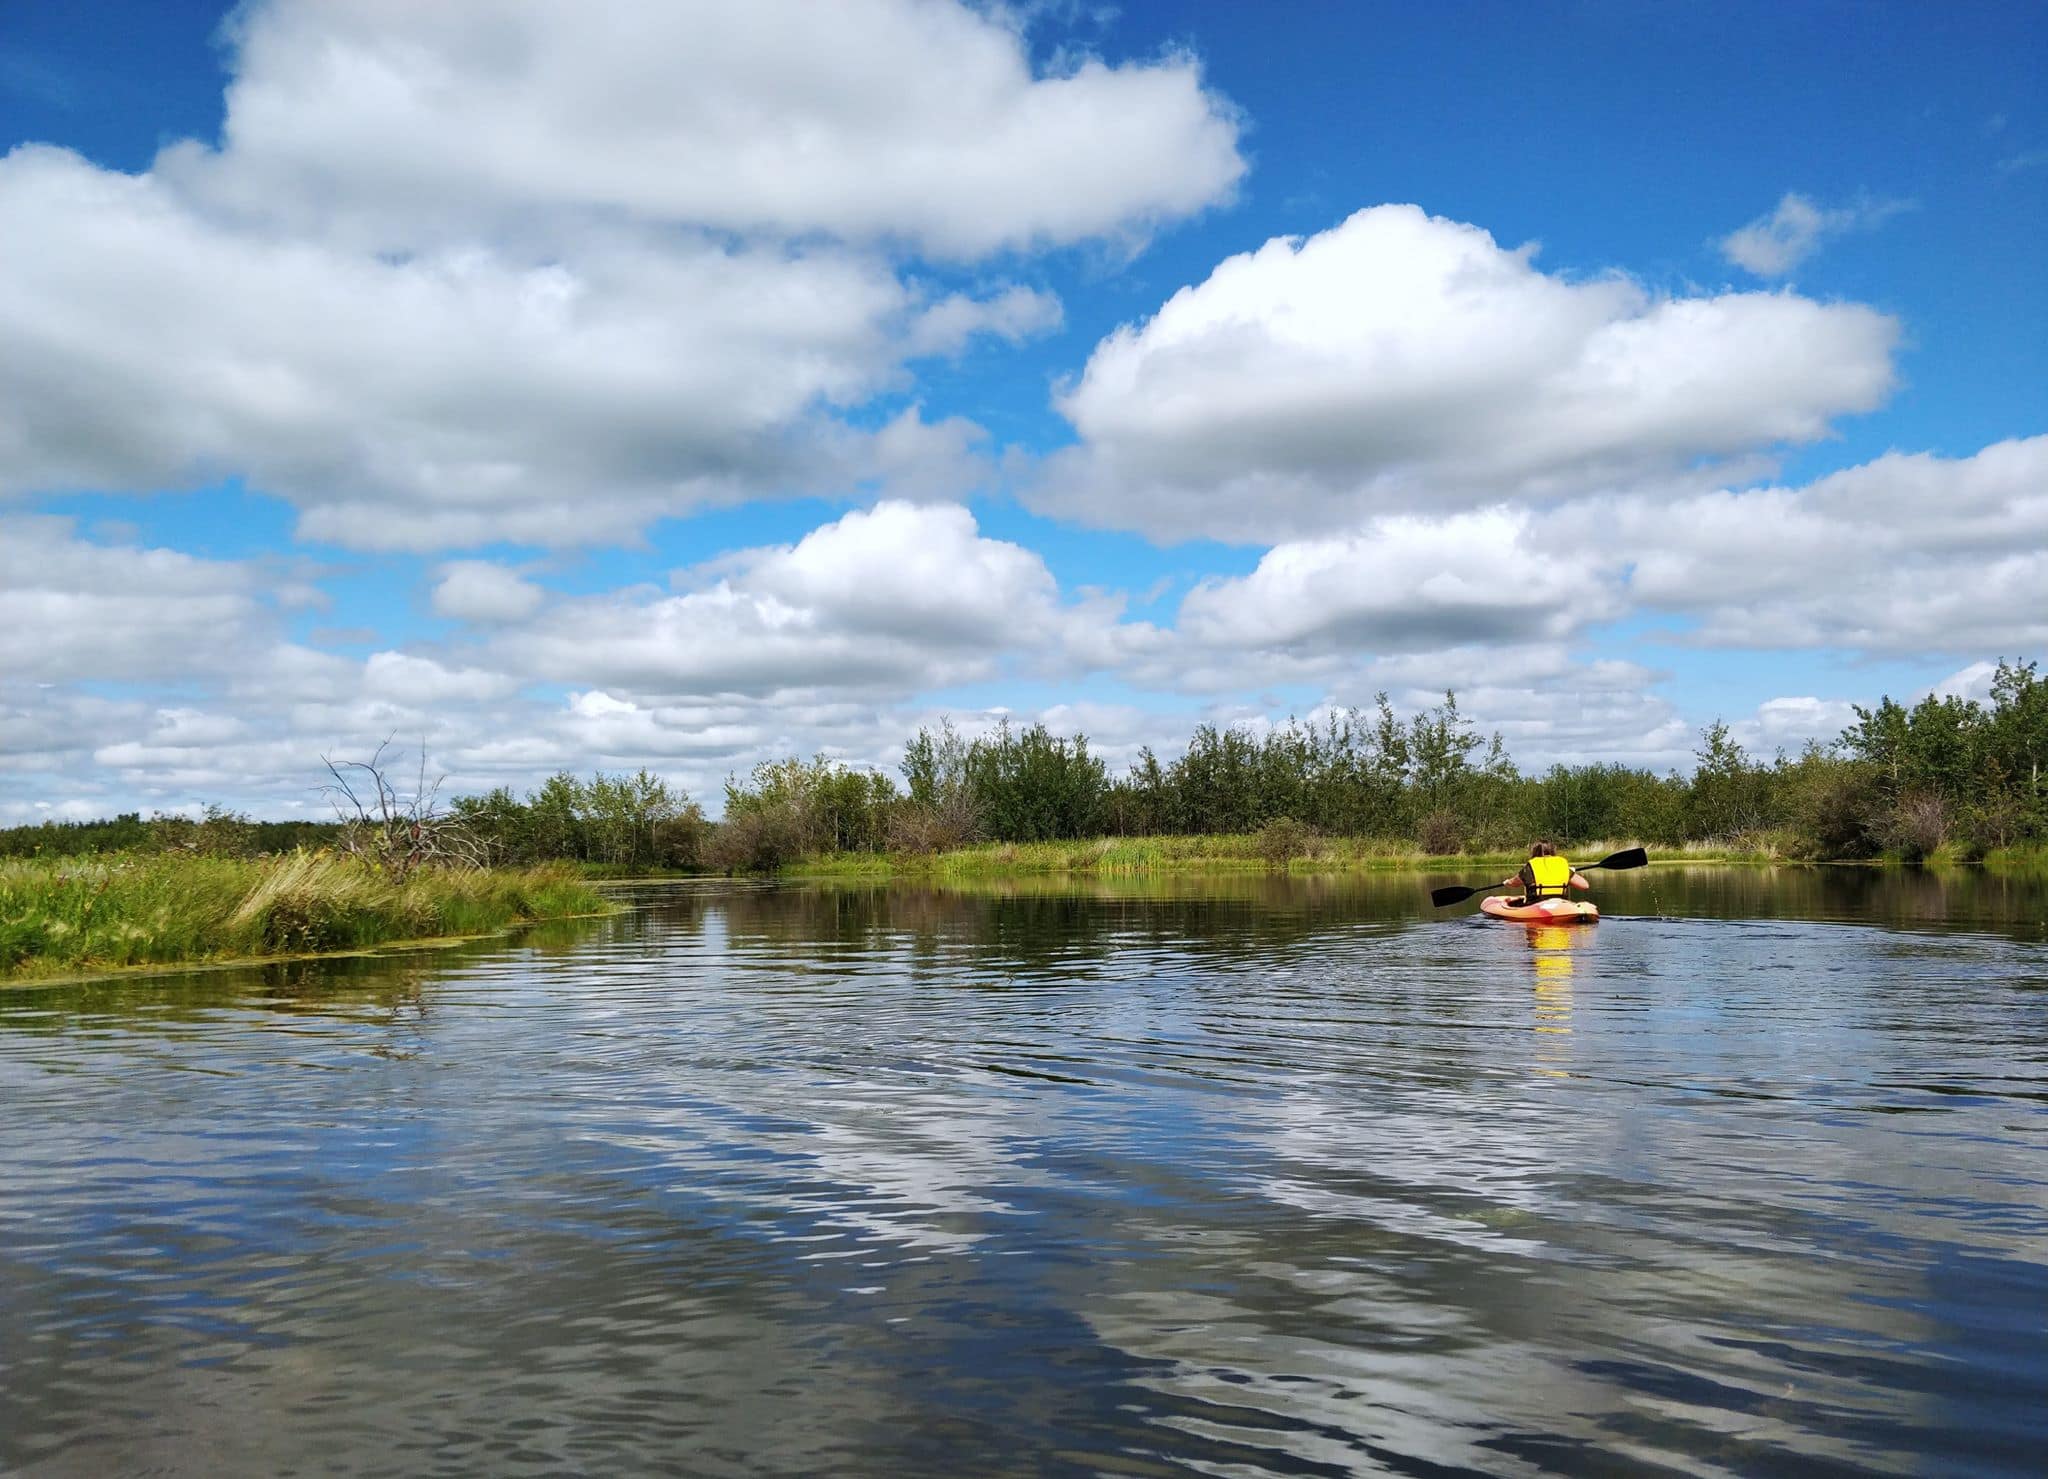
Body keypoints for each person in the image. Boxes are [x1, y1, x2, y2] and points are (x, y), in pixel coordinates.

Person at [1501, 841, 1589, 906]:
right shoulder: (1562, 865)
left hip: (1537, 904)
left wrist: (1508, 882)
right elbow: (1584, 885)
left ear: (1535, 852)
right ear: (1552, 851)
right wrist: (1568, 874)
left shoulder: (1531, 866)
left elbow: (1515, 883)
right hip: (1561, 904)